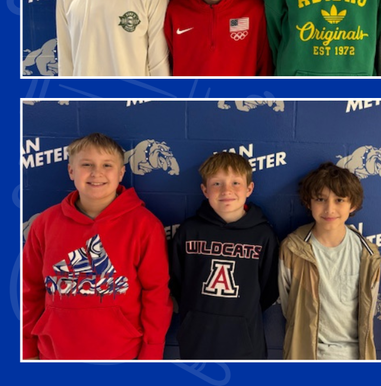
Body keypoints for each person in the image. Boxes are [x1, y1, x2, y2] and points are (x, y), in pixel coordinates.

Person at [22, 133, 172, 359]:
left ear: (121, 173)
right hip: (54, 355)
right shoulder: (44, 223)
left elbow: (157, 294)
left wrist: (151, 354)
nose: (96, 173)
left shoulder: (145, 225)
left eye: (107, 165)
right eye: (86, 164)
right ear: (71, 171)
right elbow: (29, 291)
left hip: (122, 355)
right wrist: (26, 349)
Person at [169, 152, 279, 359]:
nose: (226, 190)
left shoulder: (262, 235)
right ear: (204, 190)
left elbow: (269, 289)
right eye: (217, 183)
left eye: (236, 183)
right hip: (197, 339)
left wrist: (240, 320)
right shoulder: (190, 231)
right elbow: (176, 280)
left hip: (245, 343)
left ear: (249, 189)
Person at [278, 163, 381, 359]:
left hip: (352, 357)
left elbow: (368, 311)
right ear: (309, 202)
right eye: (321, 199)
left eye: (339, 200)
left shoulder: (367, 253)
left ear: (352, 205)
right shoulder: (292, 248)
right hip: (306, 355)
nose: (329, 208)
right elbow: (288, 306)